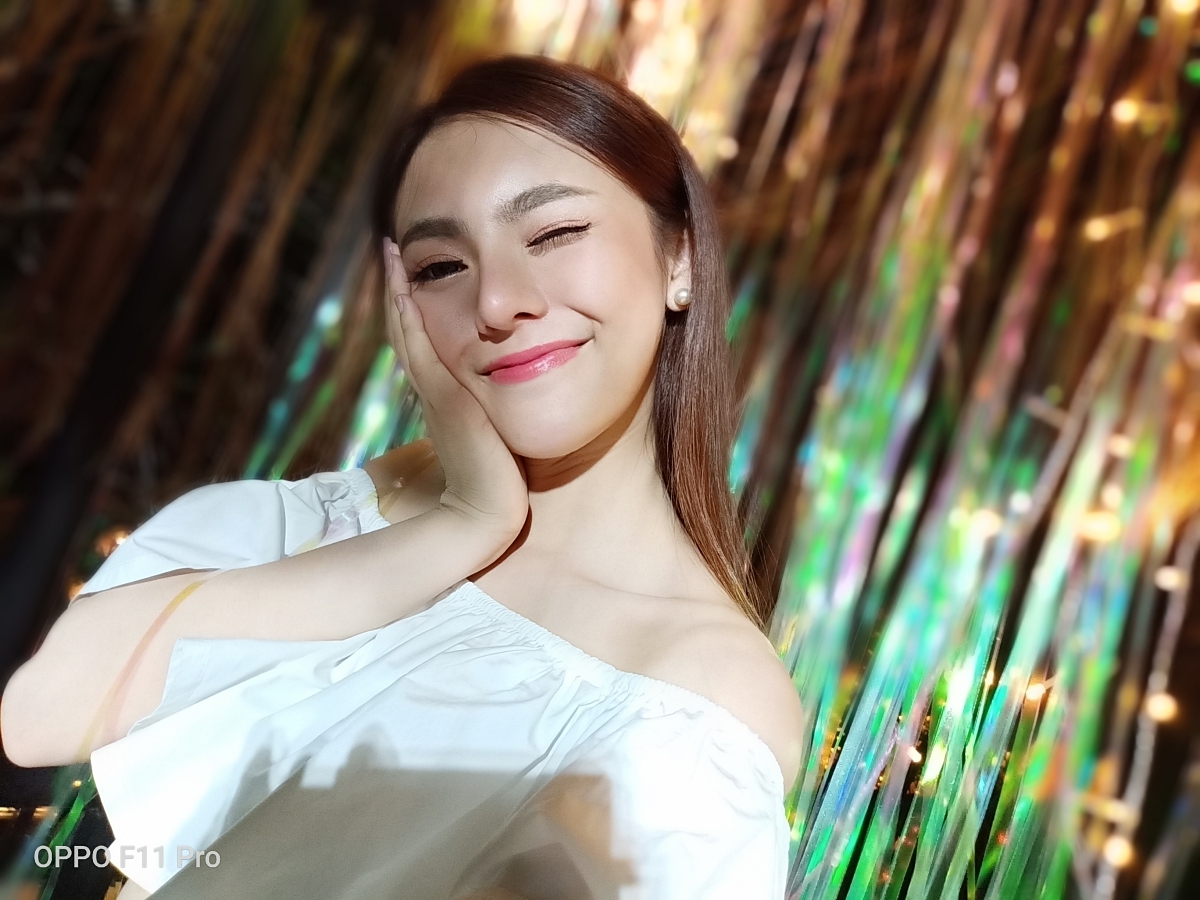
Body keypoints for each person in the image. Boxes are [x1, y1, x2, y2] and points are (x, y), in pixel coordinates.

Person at [1, 54, 804, 899]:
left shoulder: (699, 694)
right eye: (440, 267)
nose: (496, 301)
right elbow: (41, 714)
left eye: (554, 233)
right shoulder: (345, 515)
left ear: (680, 259)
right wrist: (464, 524)